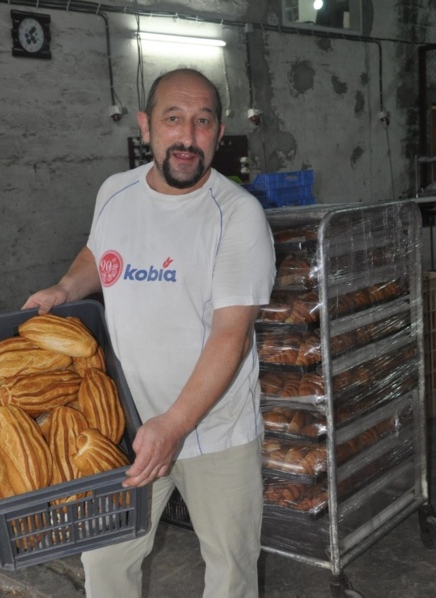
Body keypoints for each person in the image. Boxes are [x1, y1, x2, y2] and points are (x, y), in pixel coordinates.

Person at [22, 67, 276, 598]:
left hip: (215, 432)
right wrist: (66, 289)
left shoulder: (238, 215)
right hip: (126, 425)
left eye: (202, 121)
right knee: (107, 566)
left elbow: (231, 334)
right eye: (173, 119)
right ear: (146, 126)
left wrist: (175, 426)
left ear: (219, 131)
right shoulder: (116, 191)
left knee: (231, 571)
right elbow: (100, 253)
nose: (187, 137)